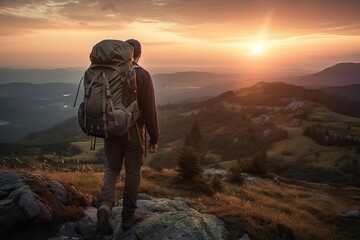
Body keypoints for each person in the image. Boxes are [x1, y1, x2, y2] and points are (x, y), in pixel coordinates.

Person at [96, 39, 159, 234]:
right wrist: (154, 137)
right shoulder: (142, 75)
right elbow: (149, 110)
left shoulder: (109, 73)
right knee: (133, 173)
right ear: (138, 54)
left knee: (112, 168)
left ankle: (105, 206)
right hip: (133, 132)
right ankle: (128, 216)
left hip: (111, 130)